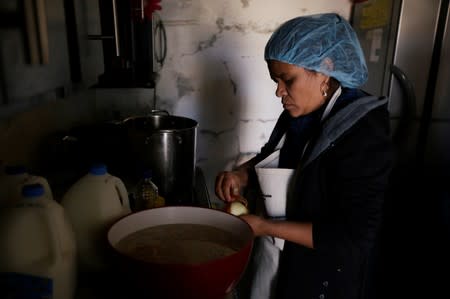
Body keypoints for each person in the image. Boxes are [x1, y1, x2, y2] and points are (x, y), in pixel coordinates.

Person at [215, 12, 394, 299]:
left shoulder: (363, 133)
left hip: (320, 276)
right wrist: (242, 173)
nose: (278, 92)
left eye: (287, 80)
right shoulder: (297, 113)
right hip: (273, 257)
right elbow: (271, 157)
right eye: (276, 80)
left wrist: (263, 226)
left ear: (325, 69)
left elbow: (353, 238)